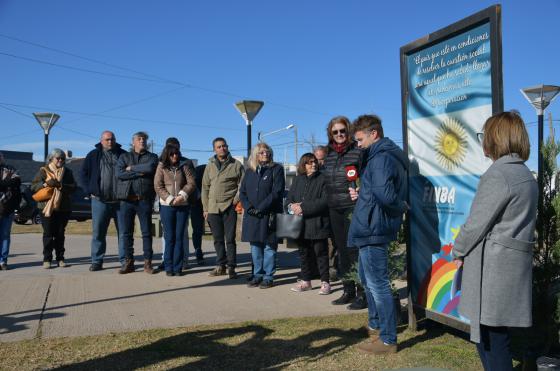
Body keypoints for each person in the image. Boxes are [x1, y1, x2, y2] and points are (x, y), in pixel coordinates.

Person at [452, 112, 536, 370]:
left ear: (495, 139)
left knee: (491, 341)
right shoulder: (523, 174)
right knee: (497, 337)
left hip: (492, 271)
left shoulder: (498, 175)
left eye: (484, 136)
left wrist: (458, 249)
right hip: (509, 268)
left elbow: (476, 223)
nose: (482, 142)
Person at [348, 114, 408, 355]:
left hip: (374, 228)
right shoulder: (378, 156)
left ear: (374, 134)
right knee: (367, 279)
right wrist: (363, 194)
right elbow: (378, 191)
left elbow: (385, 194)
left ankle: (387, 339)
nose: (358, 144)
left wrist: (401, 206)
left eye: (360, 139)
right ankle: (376, 326)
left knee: (377, 283)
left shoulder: (381, 157)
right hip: (370, 226)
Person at [323, 116, 366, 308]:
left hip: (352, 207)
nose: (339, 135)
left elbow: (366, 178)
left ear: (348, 131)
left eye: (342, 131)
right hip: (334, 208)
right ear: (330, 134)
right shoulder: (329, 154)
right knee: (341, 251)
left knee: (354, 250)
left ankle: (362, 293)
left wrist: (360, 190)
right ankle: (347, 290)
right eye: (335, 132)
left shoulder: (357, 151)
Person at [240, 142, 285, 289]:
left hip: (269, 214)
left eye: (267, 152)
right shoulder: (249, 171)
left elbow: (276, 192)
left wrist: (261, 208)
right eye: (262, 152)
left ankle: (268, 276)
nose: (265, 154)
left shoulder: (276, 169)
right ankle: (257, 275)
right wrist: (249, 208)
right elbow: (243, 193)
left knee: (269, 247)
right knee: (255, 247)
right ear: (255, 155)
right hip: (252, 215)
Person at [80, 131, 126, 272]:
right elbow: (83, 174)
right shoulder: (93, 155)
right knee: (98, 233)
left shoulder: (123, 155)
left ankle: (125, 261)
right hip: (100, 201)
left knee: (124, 233)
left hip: (120, 202)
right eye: (107, 140)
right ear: (101, 141)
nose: (109, 142)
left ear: (115, 140)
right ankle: (97, 261)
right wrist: (89, 191)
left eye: (112, 139)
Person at [287, 153, 331, 295]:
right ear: (303, 165)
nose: (313, 164)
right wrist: (291, 207)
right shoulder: (298, 179)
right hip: (300, 224)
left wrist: (303, 207)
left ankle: (325, 282)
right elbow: (289, 198)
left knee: (321, 253)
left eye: (315, 162)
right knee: (303, 253)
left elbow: (324, 201)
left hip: (317, 223)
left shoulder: (323, 178)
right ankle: (306, 281)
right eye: (309, 162)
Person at [201, 137, 244, 279]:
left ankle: (231, 267)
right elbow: (205, 188)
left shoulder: (236, 165)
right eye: (219, 147)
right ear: (214, 149)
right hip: (213, 208)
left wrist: (235, 200)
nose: (222, 148)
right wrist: (205, 208)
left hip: (229, 207)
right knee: (217, 239)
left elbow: (242, 186)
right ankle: (221, 266)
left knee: (230, 239)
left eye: (224, 146)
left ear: (227, 147)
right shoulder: (210, 165)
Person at [116, 131, 158, 274]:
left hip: (144, 200)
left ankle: (148, 262)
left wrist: (131, 168)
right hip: (126, 200)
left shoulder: (152, 157)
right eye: (139, 139)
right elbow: (119, 173)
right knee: (126, 233)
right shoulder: (124, 156)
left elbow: (150, 168)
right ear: (133, 142)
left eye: (144, 139)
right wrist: (139, 173)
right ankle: (129, 262)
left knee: (146, 233)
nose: (142, 141)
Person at [31, 148, 77, 269]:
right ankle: (47, 259)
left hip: (63, 208)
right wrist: (46, 184)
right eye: (58, 158)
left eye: (62, 158)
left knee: (60, 234)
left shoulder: (68, 172)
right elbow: (33, 187)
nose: (60, 160)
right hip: (46, 208)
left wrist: (61, 186)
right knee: (48, 234)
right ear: (51, 159)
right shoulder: (43, 171)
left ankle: (60, 258)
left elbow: (73, 188)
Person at [154, 144, 196, 276]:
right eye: (172, 154)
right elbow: (158, 185)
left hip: (182, 206)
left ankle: (178, 267)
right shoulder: (161, 166)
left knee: (179, 237)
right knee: (169, 237)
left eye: (177, 153)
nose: (175, 156)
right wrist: (170, 199)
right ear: (167, 154)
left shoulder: (185, 165)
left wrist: (182, 196)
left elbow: (191, 182)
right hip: (167, 206)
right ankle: (168, 267)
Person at [0, 152, 21, 270]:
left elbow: (16, 181)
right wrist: (6, 185)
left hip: (7, 208)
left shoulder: (10, 169)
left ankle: (3, 261)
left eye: (0, 156)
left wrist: (4, 184)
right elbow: (10, 184)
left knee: (5, 235)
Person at [190, 164, 207, 265]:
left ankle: (221, 254)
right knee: (197, 230)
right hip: (196, 203)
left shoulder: (203, 169)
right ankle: (198, 251)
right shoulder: (199, 170)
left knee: (216, 230)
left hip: (209, 203)